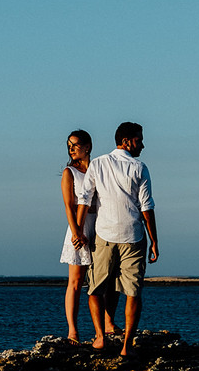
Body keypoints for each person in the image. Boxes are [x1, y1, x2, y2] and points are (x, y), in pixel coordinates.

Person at [75, 121, 158, 356]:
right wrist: (155, 241)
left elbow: (84, 199)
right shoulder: (140, 167)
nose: (142, 144)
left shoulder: (98, 164)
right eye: (139, 139)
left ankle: (100, 337)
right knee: (133, 292)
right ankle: (126, 346)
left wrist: (78, 231)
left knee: (95, 289)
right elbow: (146, 208)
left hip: (105, 235)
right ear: (127, 141)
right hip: (133, 236)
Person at [60, 129, 114, 341]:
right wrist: (76, 233)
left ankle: (107, 325)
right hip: (78, 227)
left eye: (75, 144)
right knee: (75, 281)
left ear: (88, 146)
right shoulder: (69, 173)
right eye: (69, 145)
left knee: (103, 280)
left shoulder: (98, 169)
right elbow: (68, 206)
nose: (71, 149)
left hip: (100, 226)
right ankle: (72, 331)